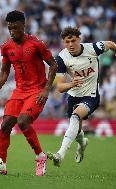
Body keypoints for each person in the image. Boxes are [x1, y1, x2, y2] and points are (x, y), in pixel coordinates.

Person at [0, 10, 58, 176]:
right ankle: (0, 164)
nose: (12, 31)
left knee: (23, 121)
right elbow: (4, 72)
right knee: (5, 126)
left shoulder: (36, 43)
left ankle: (40, 156)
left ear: (23, 26)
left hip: (36, 91)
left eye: (15, 28)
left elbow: (53, 65)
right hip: (19, 91)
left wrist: (46, 89)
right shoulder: (6, 47)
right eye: (9, 28)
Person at [48, 26, 116, 167]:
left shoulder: (93, 48)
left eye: (73, 40)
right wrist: (71, 84)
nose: (71, 45)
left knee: (75, 116)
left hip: (91, 95)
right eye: (67, 42)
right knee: (77, 128)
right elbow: (60, 87)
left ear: (79, 39)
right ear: (63, 42)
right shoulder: (61, 58)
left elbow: (110, 44)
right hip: (73, 96)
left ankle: (60, 154)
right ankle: (82, 143)